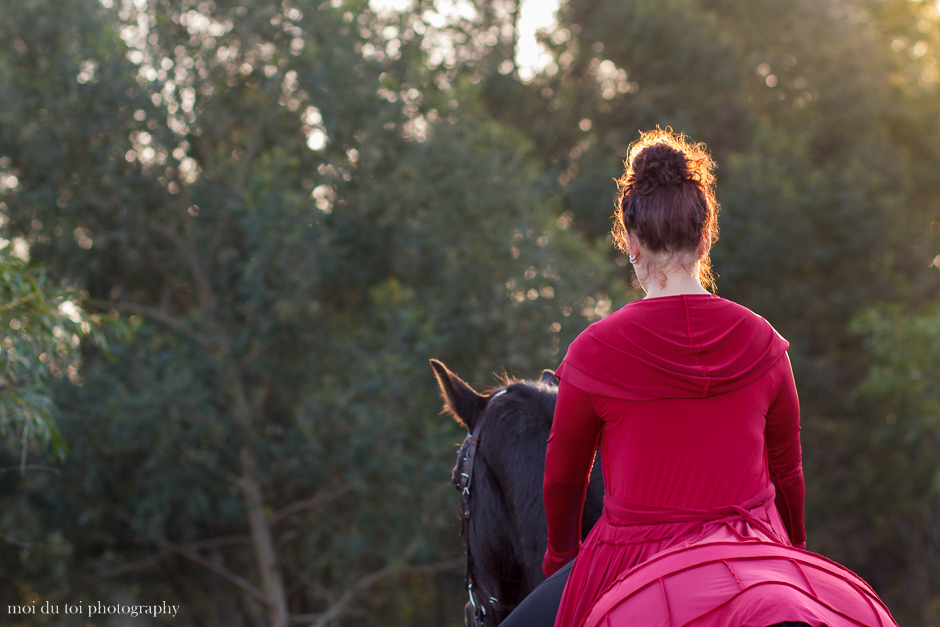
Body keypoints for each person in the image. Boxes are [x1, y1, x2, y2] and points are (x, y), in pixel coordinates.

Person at [541, 128, 805, 627]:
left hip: (634, 557)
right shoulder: (764, 342)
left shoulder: (594, 351)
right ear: (705, 239)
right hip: (755, 547)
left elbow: (562, 479)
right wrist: (796, 553)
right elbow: (788, 471)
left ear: (631, 242)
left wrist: (560, 561)